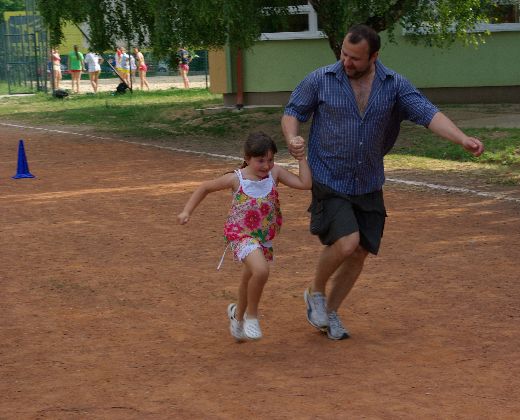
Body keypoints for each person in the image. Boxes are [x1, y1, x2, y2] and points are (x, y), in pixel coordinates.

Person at [282, 24, 485, 340]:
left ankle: (330, 312)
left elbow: (427, 113)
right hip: (329, 176)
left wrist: (462, 139)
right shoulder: (321, 79)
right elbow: (292, 111)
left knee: (360, 251)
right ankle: (315, 291)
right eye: (344, 54)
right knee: (347, 242)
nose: (346, 62)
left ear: (374, 56)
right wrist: (292, 137)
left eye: (355, 58)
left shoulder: (394, 85)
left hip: (368, 179)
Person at [177, 132, 312, 341]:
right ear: (247, 158)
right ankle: (252, 316)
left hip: (263, 237)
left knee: (249, 277)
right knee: (261, 270)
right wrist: (187, 211)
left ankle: (237, 317)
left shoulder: (275, 173)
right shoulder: (236, 178)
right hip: (240, 236)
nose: (266, 165)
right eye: (261, 160)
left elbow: (305, 183)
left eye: (270, 160)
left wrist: (301, 158)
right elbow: (205, 187)